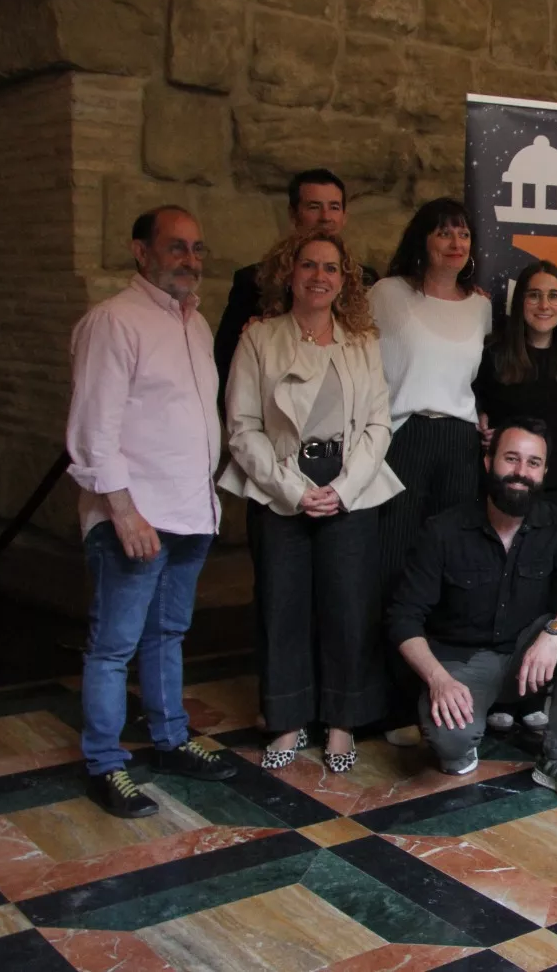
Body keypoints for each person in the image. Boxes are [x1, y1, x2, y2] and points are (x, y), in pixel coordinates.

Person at [67, 206, 238, 818]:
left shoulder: (195, 323)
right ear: (141, 252)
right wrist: (123, 511)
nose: (189, 260)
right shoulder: (114, 321)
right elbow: (92, 431)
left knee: (168, 635)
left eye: (196, 249)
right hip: (135, 519)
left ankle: (169, 739)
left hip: (189, 512)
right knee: (113, 646)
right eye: (176, 248)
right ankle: (105, 763)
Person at [219, 229, 402, 773]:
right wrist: (296, 491)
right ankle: (288, 718)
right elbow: (242, 427)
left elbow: (378, 423)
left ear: (344, 280)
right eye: (309, 266)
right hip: (281, 486)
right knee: (283, 605)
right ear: (289, 272)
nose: (319, 276)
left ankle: (343, 722)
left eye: (331, 268)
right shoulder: (259, 339)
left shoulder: (362, 339)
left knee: (348, 606)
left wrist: (343, 490)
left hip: (350, 484)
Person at [386, 420, 557, 806]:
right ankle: (474, 720)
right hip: (463, 662)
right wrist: (438, 679)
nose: (521, 472)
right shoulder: (444, 531)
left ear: (543, 472)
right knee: (450, 747)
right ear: (488, 461)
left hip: (528, 658)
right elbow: (402, 617)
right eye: (511, 459)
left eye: (533, 463)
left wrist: (553, 633)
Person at [371, 197, 494, 598]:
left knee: (449, 554)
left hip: (460, 441)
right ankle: (386, 655)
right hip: (402, 435)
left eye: (463, 234)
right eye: (443, 233)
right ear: (422, 240)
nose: (455, 242)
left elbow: (482, 379)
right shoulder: (387, 294)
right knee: (391, 551)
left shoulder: (480, 306)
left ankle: (439, 654)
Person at [214, 169, 379, 401]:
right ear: (293, 214)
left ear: (344, 216)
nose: (325, 217)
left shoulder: (366, 280)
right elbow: (227, 364)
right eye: (314, 206)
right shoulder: (253, 280)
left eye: (334, 207)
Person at [476, 261, 557, 515]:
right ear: (520, 301)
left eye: (554, 296)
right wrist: (481, 424)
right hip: (505, 489)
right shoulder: (494, 354)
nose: (544, 305)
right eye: (534, 295)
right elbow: (476, 406)